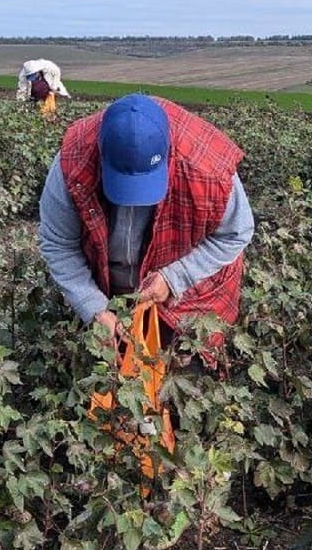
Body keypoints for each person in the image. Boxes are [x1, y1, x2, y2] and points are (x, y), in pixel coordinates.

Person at [38, 92, 254, 362]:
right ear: (100, 155)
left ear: (169, 156)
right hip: (103, 283)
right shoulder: (73, 161)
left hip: (190, 291)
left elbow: (237, 232)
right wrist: (94, 308)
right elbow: (58, 243)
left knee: (182, 369)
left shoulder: (207, 167)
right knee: (109, 373)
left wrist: (175, 278)